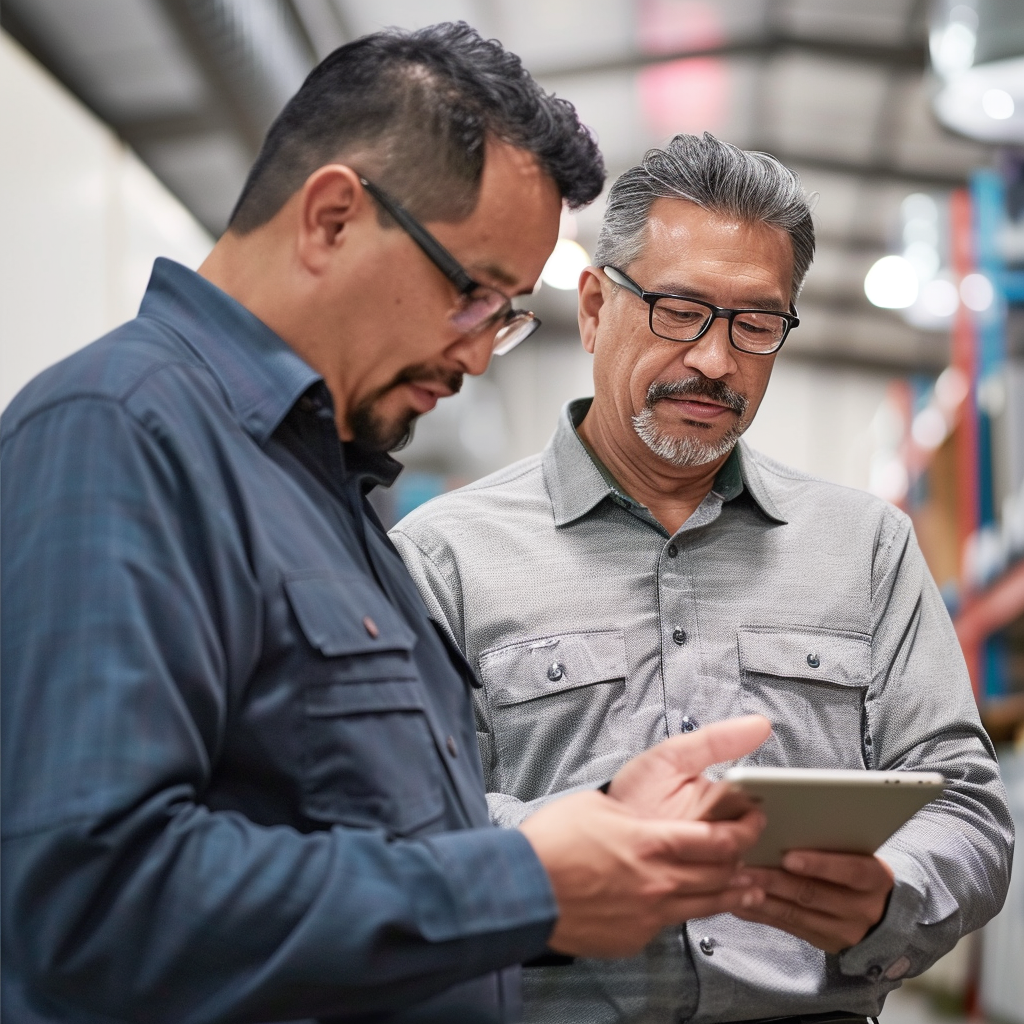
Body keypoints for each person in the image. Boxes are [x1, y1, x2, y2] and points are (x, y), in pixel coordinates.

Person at [0, 29, 778, 1024]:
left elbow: (348, 833)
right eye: (474, 294)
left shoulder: (322, 486)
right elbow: (89, 906)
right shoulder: (120, 431)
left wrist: (587, 838)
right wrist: (522, 884)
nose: (483, 355)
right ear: (330, 217)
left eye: (506, 313)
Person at [391, 132, 1015, 1024]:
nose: (716, 361)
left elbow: (964, 800)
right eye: (679, 310)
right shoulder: (444, 556)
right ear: (599, 309)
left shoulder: (867, 549)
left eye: (755, 324)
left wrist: (891, 892)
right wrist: (569, 852)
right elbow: (400, 817)